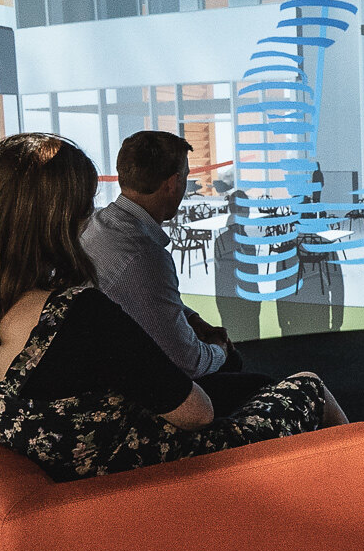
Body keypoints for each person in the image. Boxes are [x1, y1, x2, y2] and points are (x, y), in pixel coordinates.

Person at [0, 132, 349, 482]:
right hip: (146, 476)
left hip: (81, 469)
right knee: (308, 386)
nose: (89, 217)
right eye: (83, 206)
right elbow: (198, 415)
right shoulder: (80, 316)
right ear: (60, 221)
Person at [82, 130, 276, 414]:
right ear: (173, 183)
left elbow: (138, 295)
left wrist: (195, 321)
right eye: (185, 176)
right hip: (136, 397)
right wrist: (220, 349)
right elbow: (188, 363)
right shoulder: (144, 255)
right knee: (265, 387)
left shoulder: (98, 224)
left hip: (111, 371)